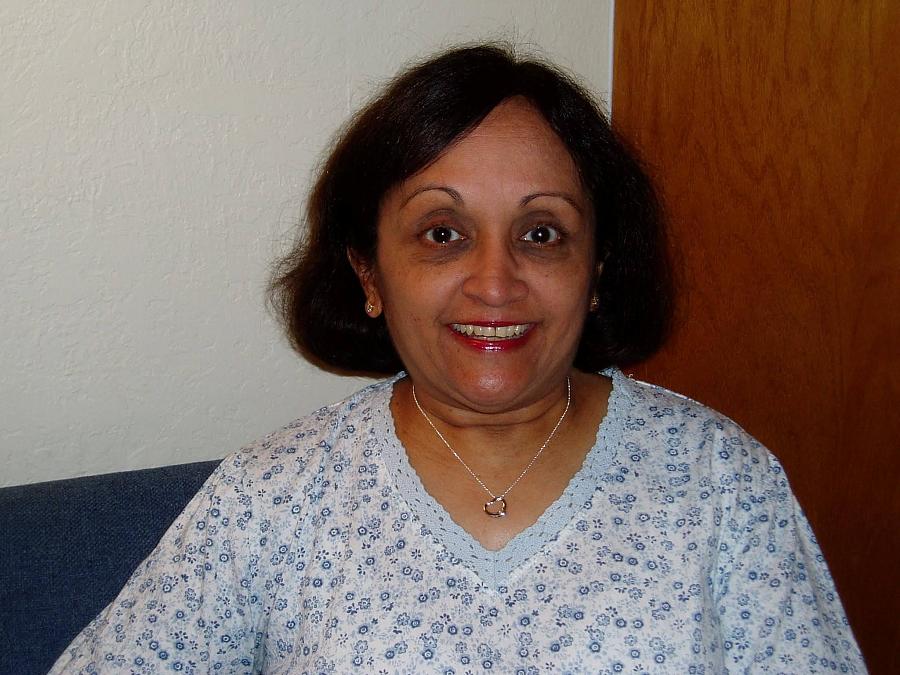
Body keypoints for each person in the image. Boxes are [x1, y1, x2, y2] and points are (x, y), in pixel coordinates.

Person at [51, 45, 865, 674]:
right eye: (442, 233)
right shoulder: (272, 498)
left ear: (597, 272)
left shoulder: (723, 479)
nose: (495, 281)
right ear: (369, 273)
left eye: (541, 233)